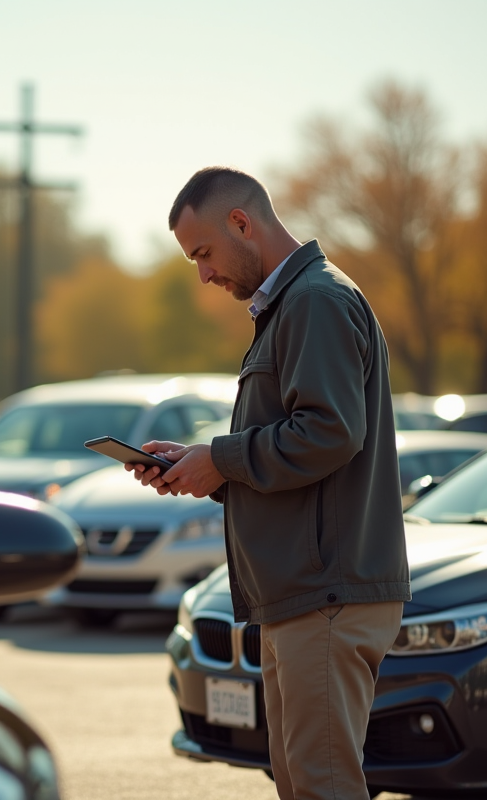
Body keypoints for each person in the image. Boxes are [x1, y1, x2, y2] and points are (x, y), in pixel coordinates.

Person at [128, 167, 410, 800]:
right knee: (302, 785)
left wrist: (222, 459)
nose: (202, 274)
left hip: (326, 595)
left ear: (240, 223)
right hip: (306, 596)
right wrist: (205, 467)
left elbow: (330, 434)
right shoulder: (295, 304)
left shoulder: (314, 301)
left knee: (321, 787)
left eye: (202, 253)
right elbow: (304, 454)